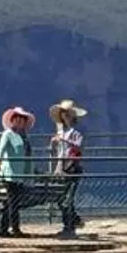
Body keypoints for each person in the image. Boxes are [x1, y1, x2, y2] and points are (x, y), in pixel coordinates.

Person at [0, 105, 33, 237]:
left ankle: (4, 229)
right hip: (9, 174)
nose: (20, 121)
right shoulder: (8, 134)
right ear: (13, 120)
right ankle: (14, 229)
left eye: (22, 119)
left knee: (12, 202)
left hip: (19, 174)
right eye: (18, 118)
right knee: (13, 202)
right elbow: (1, 150)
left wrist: (28, 172)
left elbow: (27, 156)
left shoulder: (23, 137)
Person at [48, 99, 87, 237]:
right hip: (62, 167)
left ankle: (69, 226)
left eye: (67, 113)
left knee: (67, 198)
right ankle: (73, 221)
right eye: (63, 113)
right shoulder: (61, 131)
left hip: (72, 168)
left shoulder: (76, 132)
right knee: (61, 198)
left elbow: (79, 145)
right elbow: (59, 152)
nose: (65, 115)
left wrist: (63, 141)